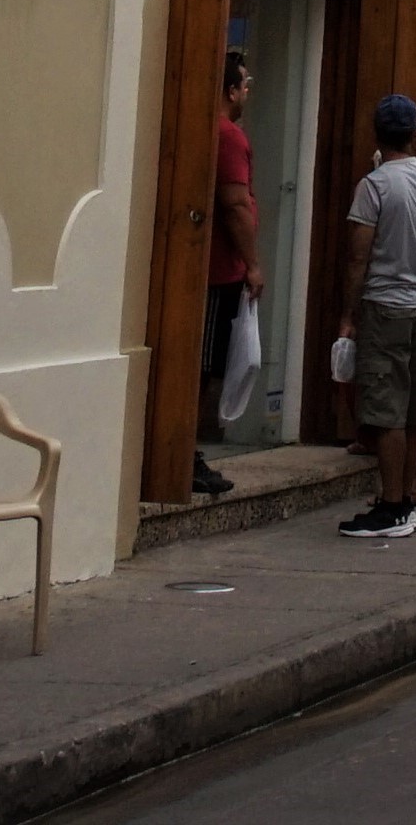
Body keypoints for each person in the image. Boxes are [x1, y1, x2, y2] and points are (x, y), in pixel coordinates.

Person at [333, 93, 416, 536]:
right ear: (412, 132)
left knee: (385, 409)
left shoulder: (375, 185)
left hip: (385, 303)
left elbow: (357, 256)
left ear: (379, 134)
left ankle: (392, 506)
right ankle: (408, 495)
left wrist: (349, 313)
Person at [197, 49, 259, 498]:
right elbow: (235, 203)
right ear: (231, 89)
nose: (248, 91)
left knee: (210, 366)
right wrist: (253, 263)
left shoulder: (212, 131)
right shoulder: (228, 136)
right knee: (208, 369)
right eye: (245, 82)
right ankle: (189, 451)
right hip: (220, 272)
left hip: (217, 267)